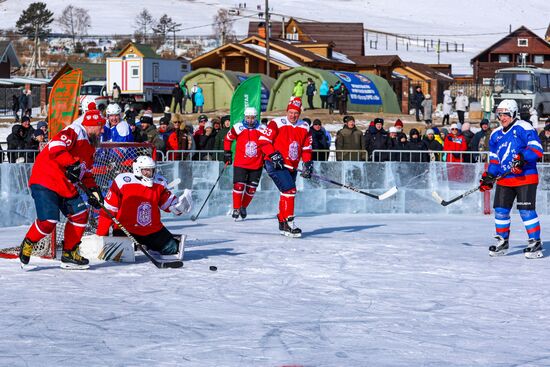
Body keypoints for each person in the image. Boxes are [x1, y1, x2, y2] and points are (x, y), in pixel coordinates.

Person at [18, 105, 106, 269]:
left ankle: (69, 253)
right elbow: (55, 147)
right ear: (92, 125)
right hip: (46, 180)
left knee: (80, 215)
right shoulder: (74, 131)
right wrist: (71, 164)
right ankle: (28, 243)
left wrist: (94, 190)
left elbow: (85, 172)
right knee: (49, 221)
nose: (102, 132)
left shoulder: (90, 146)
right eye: (100, 127)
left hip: (66, 185)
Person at [479, 99, 544, 258]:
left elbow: (537, 149)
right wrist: (490, 176)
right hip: (505, 179)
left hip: (525, 178)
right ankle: (502, 241)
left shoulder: (523, 127)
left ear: (514, 113)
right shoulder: (495, 135)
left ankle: (535, 242)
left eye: (506, 114)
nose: (502, 117)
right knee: (500, 211)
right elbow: (495, 159)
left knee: (526, 211)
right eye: (500, 114)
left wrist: (522, 157)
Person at [96, 156, 192, 258]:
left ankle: (149, 246)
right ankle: (139, 246)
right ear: (137, 169)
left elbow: (168, 204)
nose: (149, 173)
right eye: (146, 170)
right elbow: (108, 211)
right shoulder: (122, 181)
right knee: (121, 256)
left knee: (173, 249)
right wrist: (101, 236)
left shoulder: (159, 183)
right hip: (126, 230)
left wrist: (179, 207)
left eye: (151, 170)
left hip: (152, 230)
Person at [258, 97, 312, 237]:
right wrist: (273, 155)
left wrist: (307, 163)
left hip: (291, 166)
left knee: (286, 192)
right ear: (287, 111)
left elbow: (306, 148)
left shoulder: (304, 126)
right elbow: (263, 141)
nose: (293, 115)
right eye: (291, 112)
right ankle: (289, 223)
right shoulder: (276, 123)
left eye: (296, 113)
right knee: (290, 190)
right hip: (275, 163)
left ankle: (282, 221)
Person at [224, 107, 265, 220]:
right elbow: (228, 139)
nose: (250, 120)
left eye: (252, 118)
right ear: (245, 117)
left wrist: (268, 157)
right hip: (241, 162)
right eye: (248, 117)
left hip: (257, 163)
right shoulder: (238, 127)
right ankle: (236, 208)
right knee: (239, 185)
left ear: (256, 118)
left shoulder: (262, 128)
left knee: (251, 188)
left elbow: (268, 143)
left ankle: (243, 206)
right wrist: (227, 152)